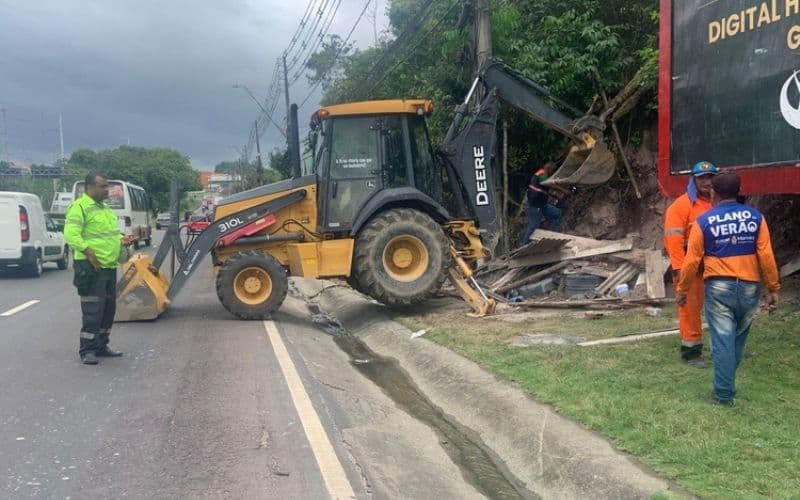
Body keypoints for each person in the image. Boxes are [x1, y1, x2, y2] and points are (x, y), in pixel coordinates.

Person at [676, 172, 780, 406]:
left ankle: (723, 394)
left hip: (719, 289)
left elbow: (692, 261)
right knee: (737, 339)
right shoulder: (756, 218)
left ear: (714, 192)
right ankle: (726, 383)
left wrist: (682, 289)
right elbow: (766, 255)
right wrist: (773, 287)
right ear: (738, 191)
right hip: (749, 288)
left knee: (723, 341)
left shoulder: (704, 221)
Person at [64, 172, 137, 365]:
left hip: (109, 266)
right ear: (90, 187)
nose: (107, 190)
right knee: (93, 310)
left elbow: (110, 234)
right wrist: (89, 252)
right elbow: (71, 235)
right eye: (103, 186)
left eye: (107, 186)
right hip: (91, 267)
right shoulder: (79, 207)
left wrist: (123, 240)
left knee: (108, 309)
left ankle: (101, 345)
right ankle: (87, 349)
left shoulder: (105, 209)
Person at [663, 160, 718, 367]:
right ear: (693, 180)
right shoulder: (680, 207)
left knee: (721, 307)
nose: (707, 182)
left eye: (710, 177)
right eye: (702, 178)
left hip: (717, 266)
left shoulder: (720, 204)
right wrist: (680, 270)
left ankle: (723, 347)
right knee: (689, 309)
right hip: (691, 269)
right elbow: (673, 241)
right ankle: (691, 352)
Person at [520, 161, 564, 246]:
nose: (552, 173)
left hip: (542, 205)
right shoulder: (542, 174)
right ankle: (524, 245)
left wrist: (556, 196)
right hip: (535, 206)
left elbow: (545, 190)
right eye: (553, 171)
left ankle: (553, 238)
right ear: (549, 168)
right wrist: (563, 190)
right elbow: (549, 185)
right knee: (534, 226)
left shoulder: (542, 176)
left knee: (556, 214)